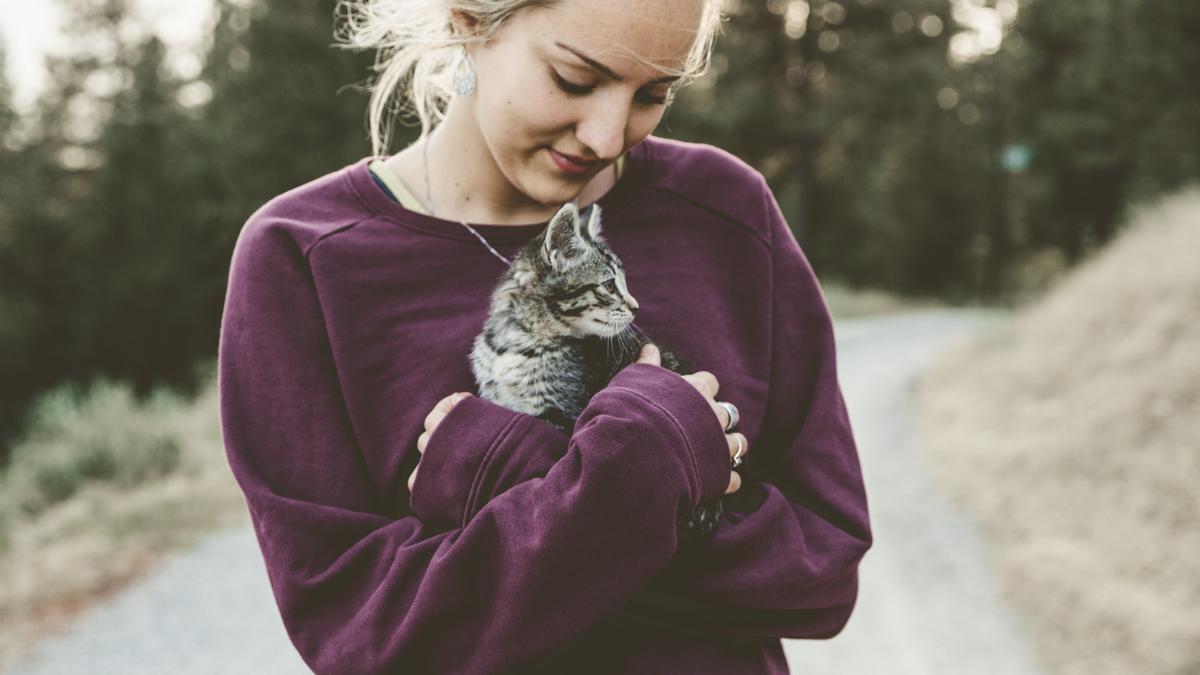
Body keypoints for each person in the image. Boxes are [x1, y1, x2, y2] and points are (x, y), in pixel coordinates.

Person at [217, 0, 872, 672]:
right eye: (575, 80)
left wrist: (511, 476)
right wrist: (640, 469)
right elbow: (365, 635)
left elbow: (823, 567)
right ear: (469, 21)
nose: (609, 136)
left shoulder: (725, 212)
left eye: (653, 93)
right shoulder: (304, 258)